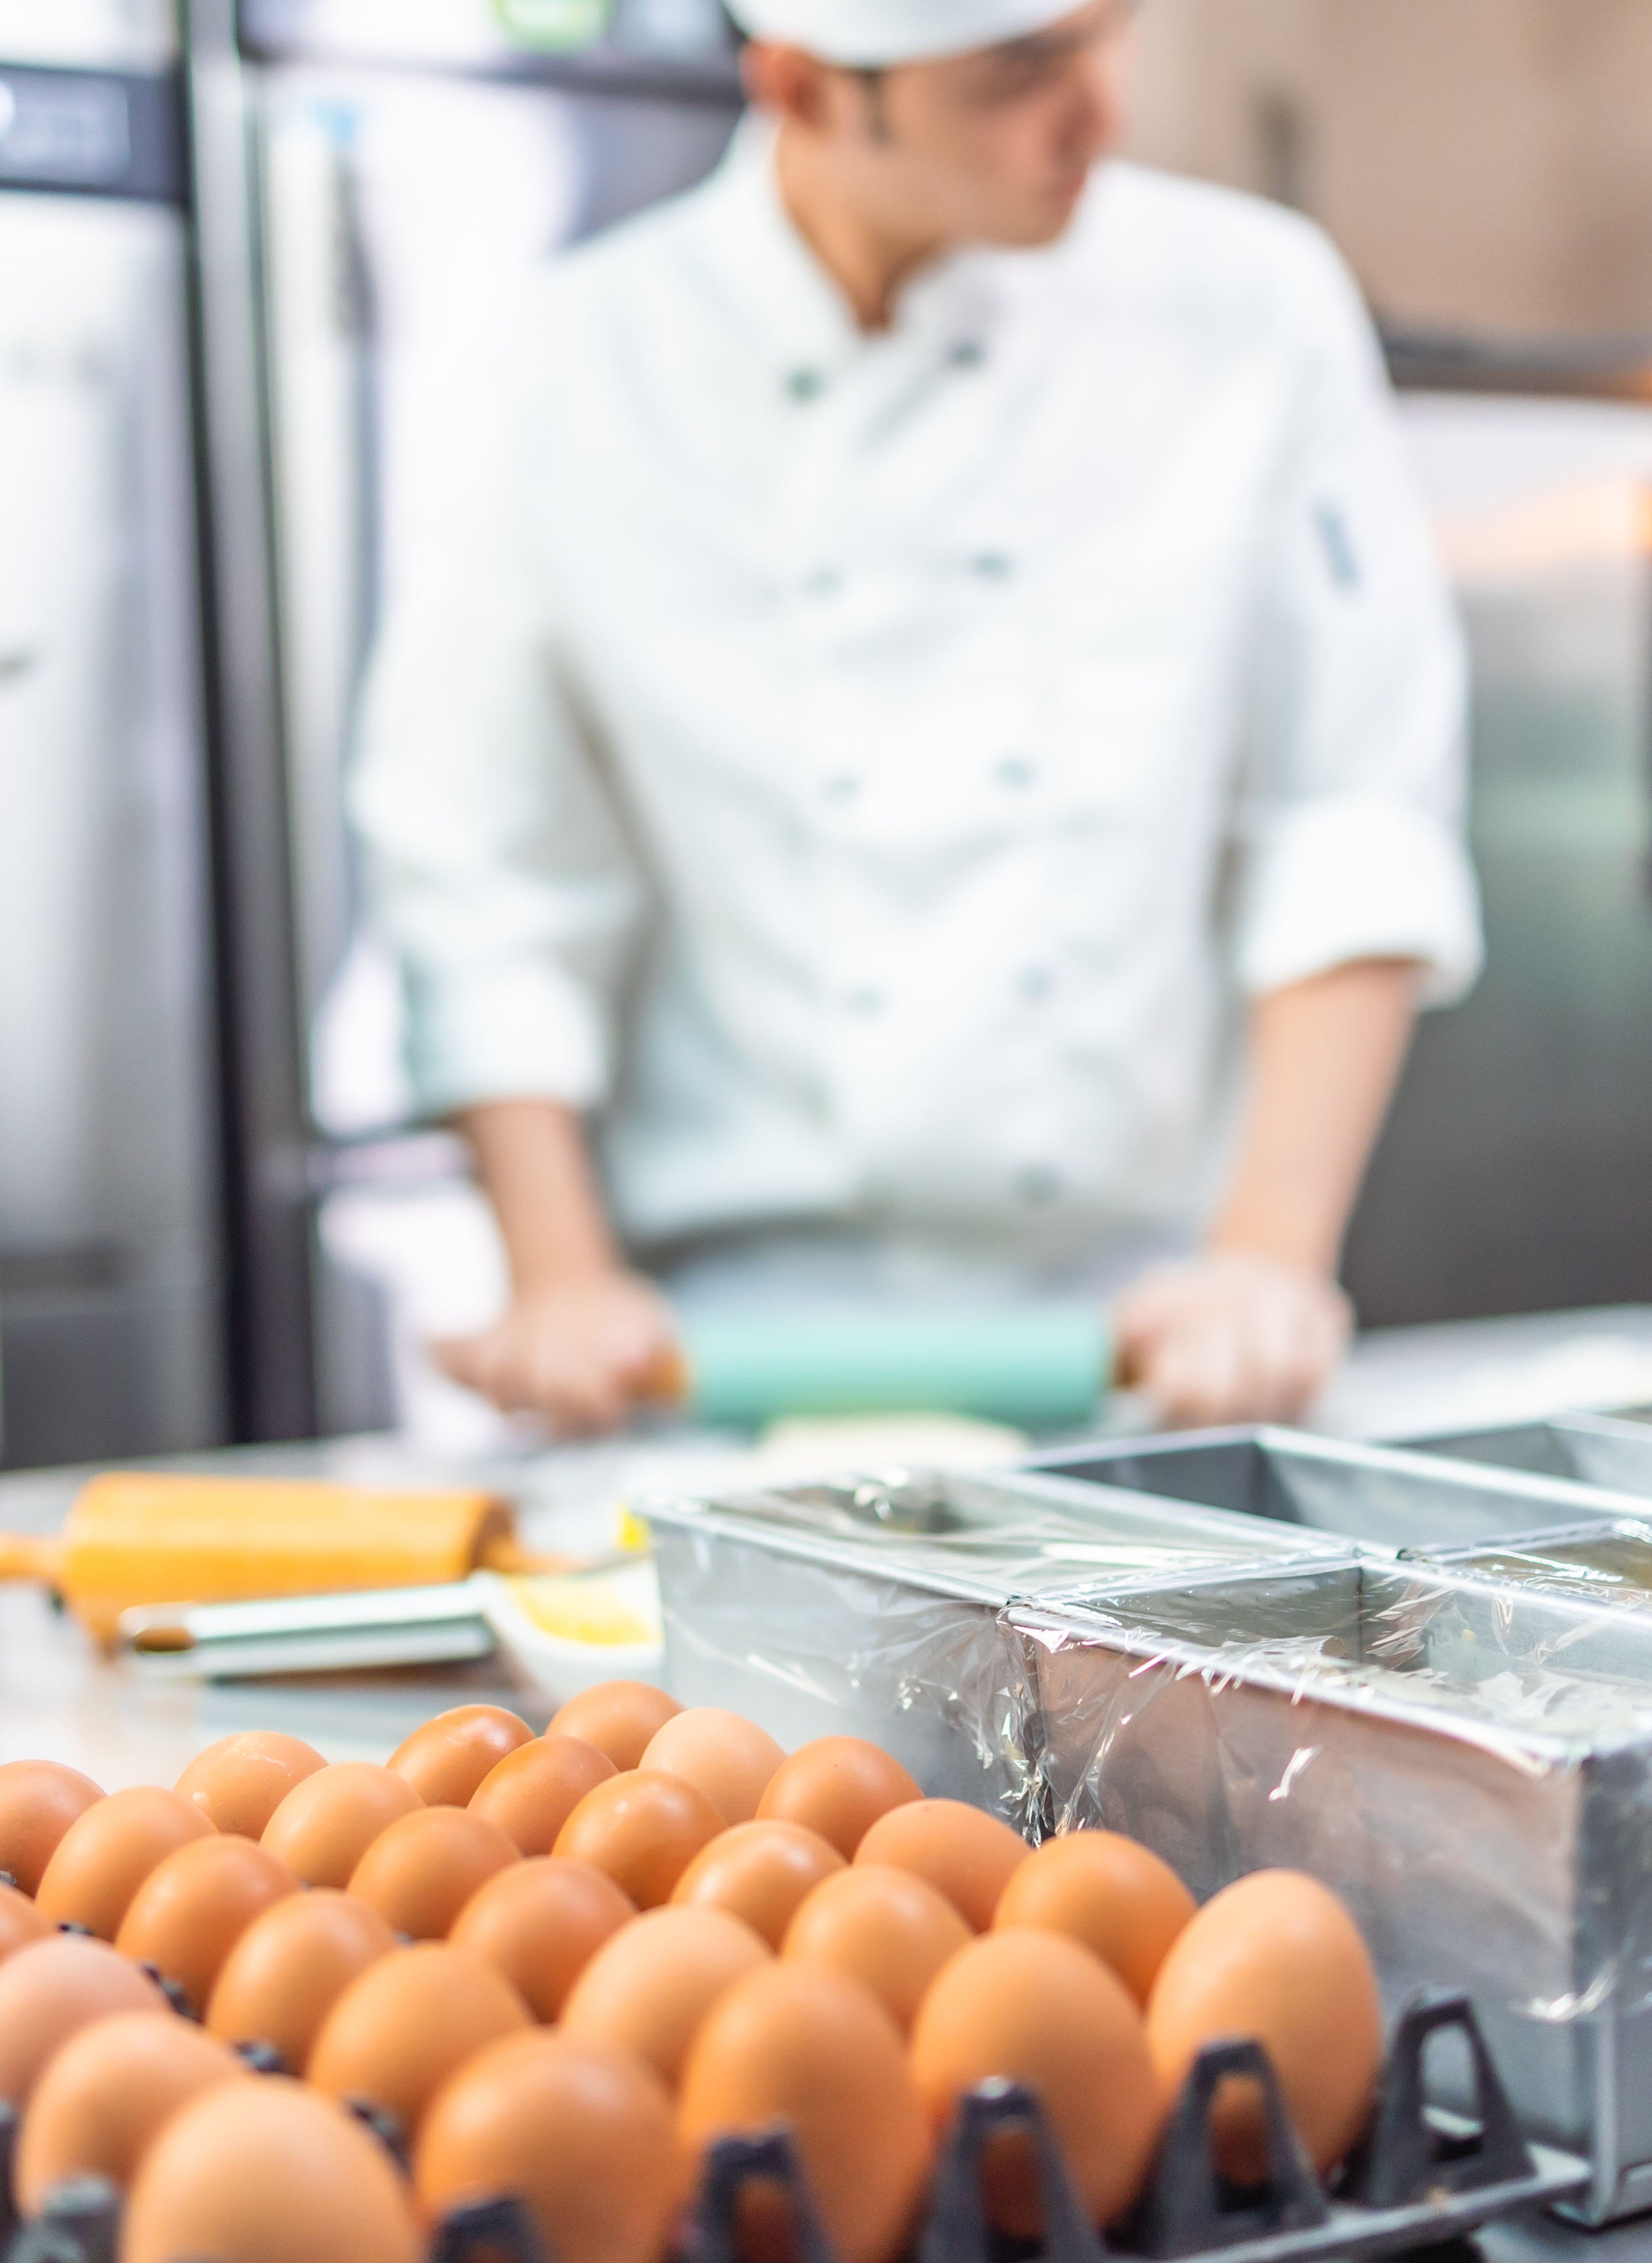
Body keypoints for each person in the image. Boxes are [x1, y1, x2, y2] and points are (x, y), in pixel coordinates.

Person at [347, 0, 1476, 1435]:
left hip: (1161, 1345)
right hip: (718, 1359)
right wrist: (559, 1276)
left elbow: (1353, 805)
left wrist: (1265, 1259)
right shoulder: (575, 363)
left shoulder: (1250, 304)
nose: (1101, 118)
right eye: (1018, 77)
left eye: (1103, 40)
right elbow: (480, 864)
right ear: (804, 87)